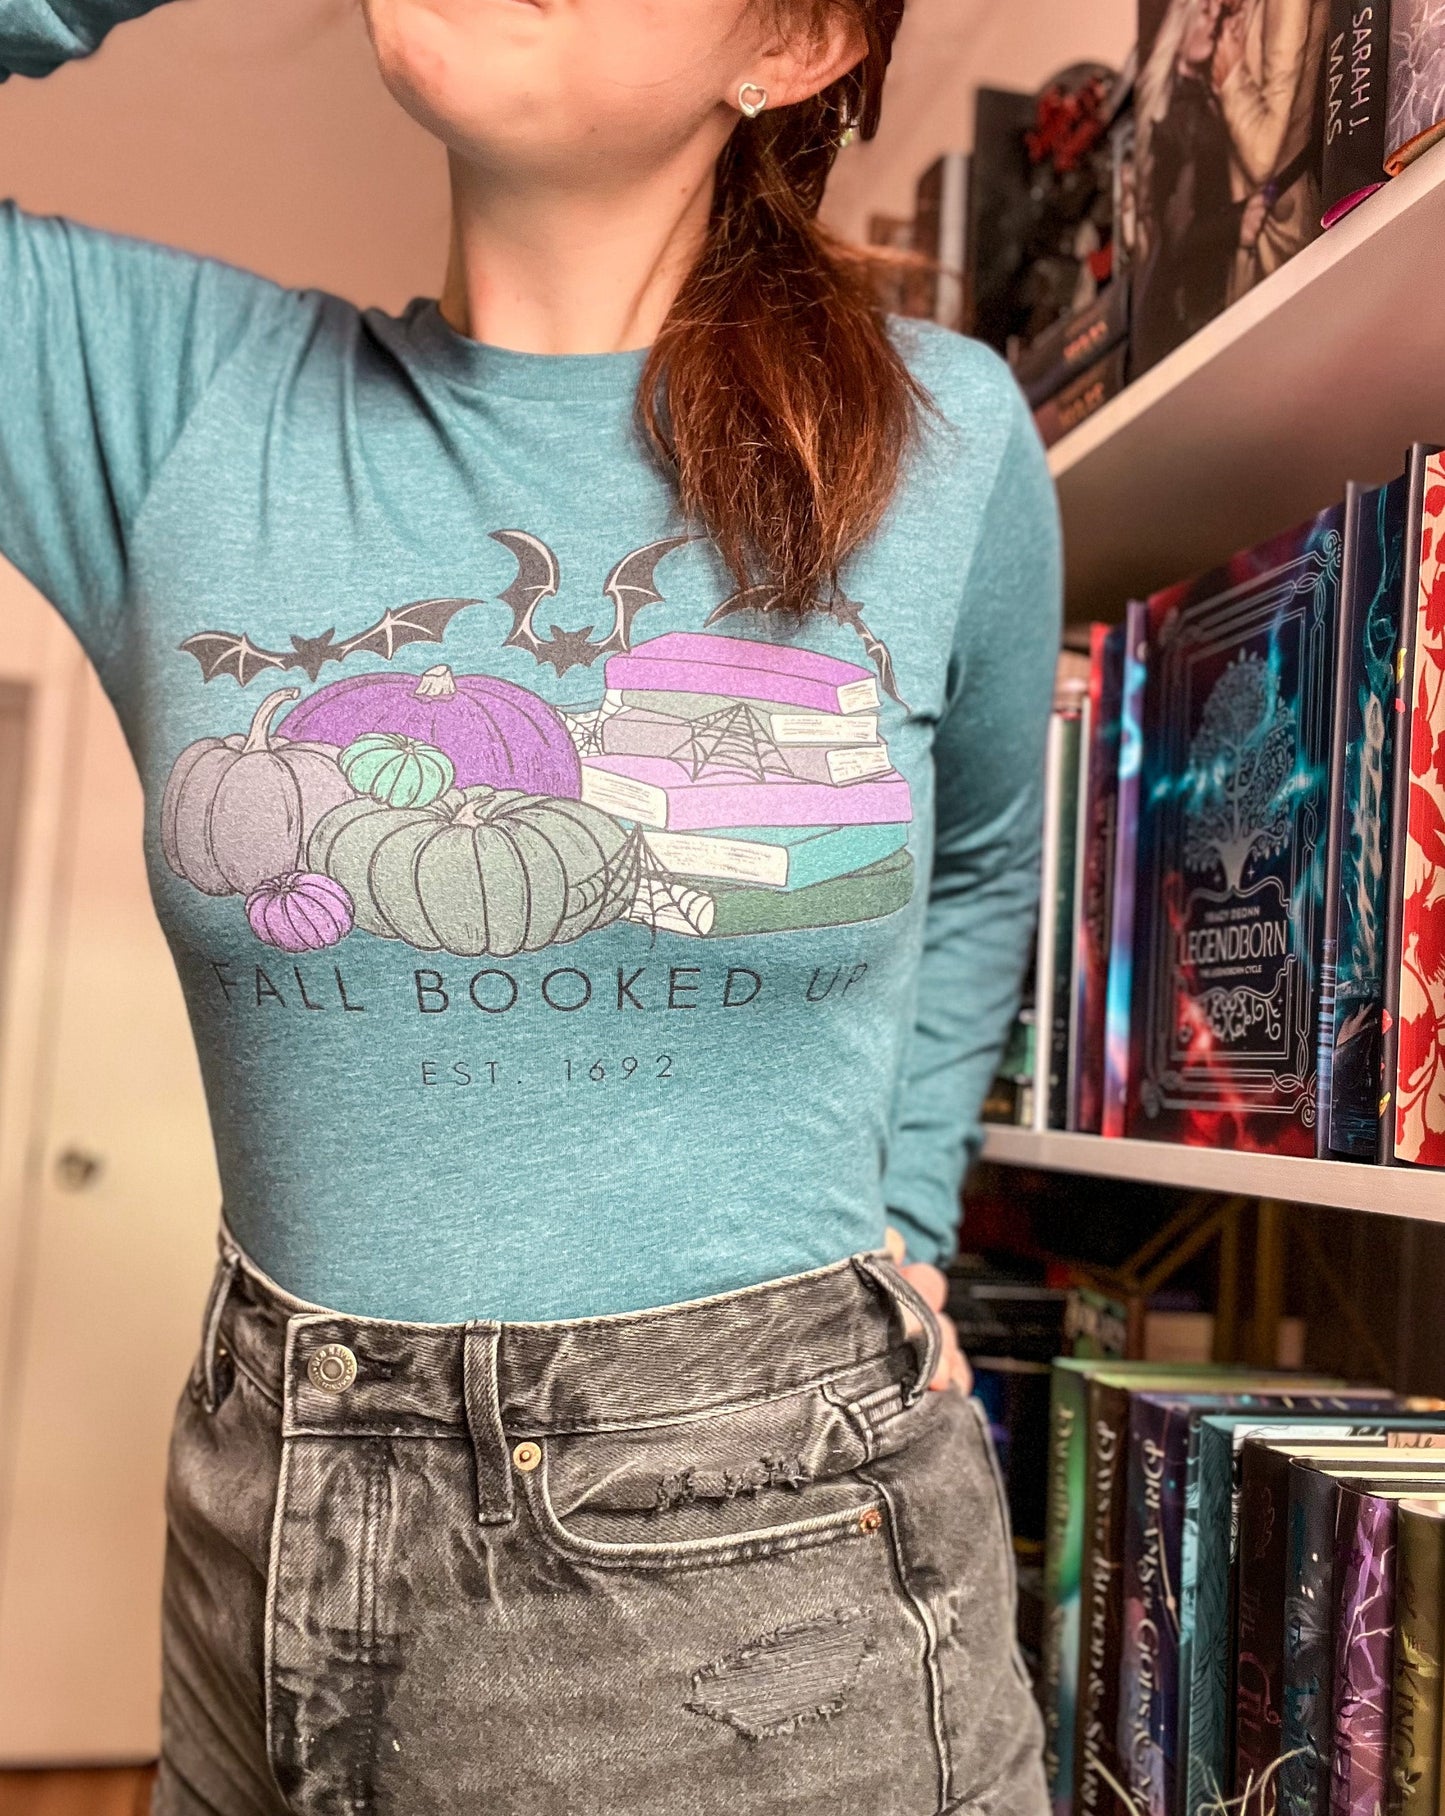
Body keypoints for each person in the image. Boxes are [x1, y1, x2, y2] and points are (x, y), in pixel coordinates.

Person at [0, 1, 1061, 1809]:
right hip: (255, 1541)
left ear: (796, 40)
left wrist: (905, 1209)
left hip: (761, 1575)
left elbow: (979, 860)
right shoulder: (173, 397)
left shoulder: (940, 434)